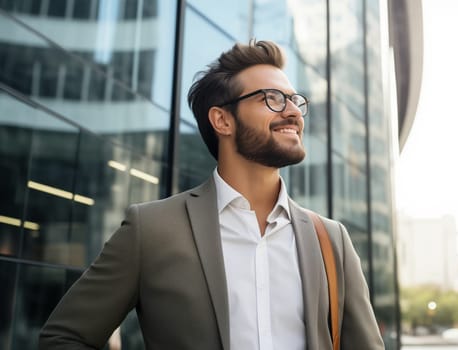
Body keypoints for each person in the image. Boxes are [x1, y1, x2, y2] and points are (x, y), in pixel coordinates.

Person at [39, 40, 384, 350]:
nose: (293, 111)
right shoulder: (152, 229)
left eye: (295, 100)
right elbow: (64, 338)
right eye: (273, 99)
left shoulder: (331, 239)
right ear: (222, 120)